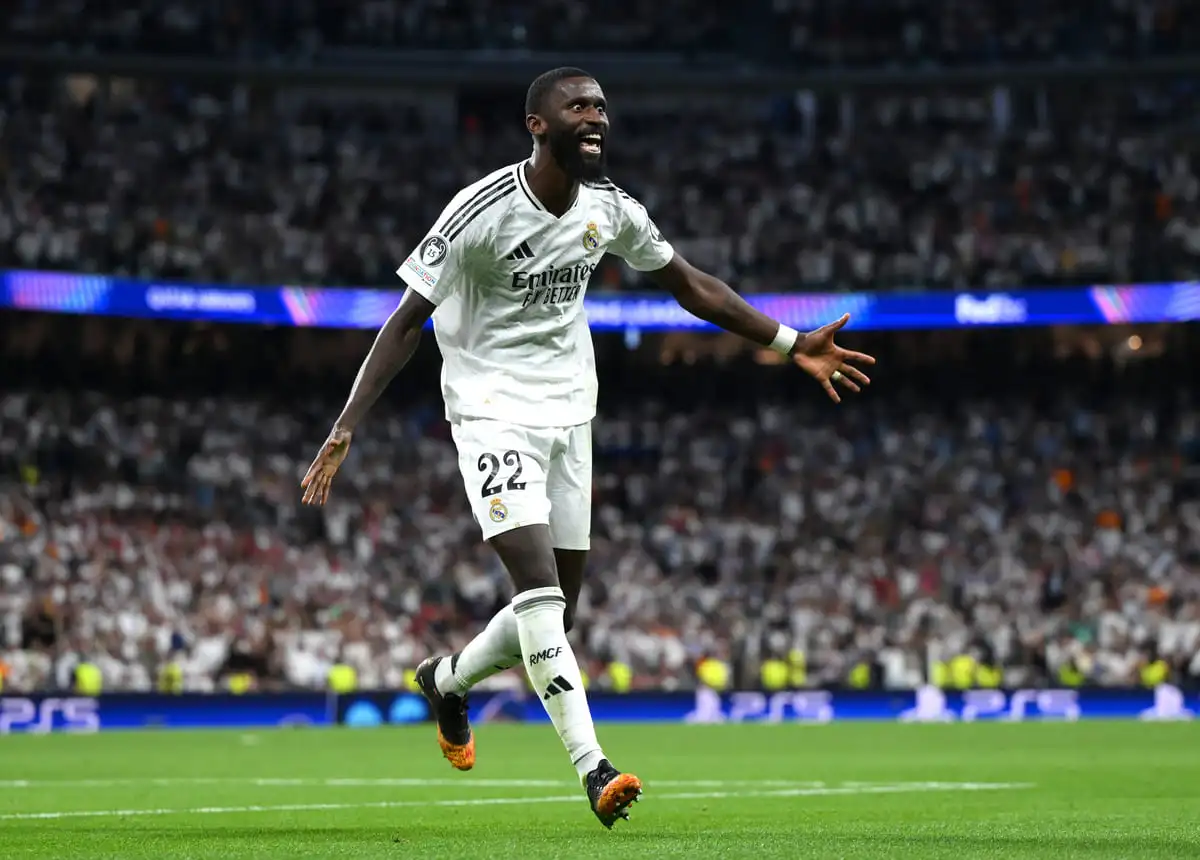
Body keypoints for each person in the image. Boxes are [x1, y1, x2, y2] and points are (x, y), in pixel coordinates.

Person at [300, 66, 875, 828]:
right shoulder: (480, 211)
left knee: (554, 611)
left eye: (602, 105)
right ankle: (592, 768)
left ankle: (447, 681)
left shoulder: (609, 209)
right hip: (490, 411)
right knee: (537, 589)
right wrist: (345, 426)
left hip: (572, 413)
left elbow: (688, 283)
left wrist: (790, 339)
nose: (596, 116)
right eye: (578, 106)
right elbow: (406, 321)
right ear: (538, 124)